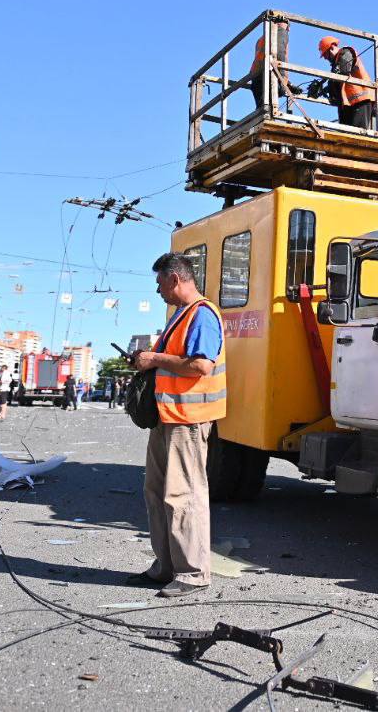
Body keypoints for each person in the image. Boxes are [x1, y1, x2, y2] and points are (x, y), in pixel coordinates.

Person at [125, 252, 226, 598]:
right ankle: (165, 566)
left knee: (184, 496)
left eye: (159, 283)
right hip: (167, 418)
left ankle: (193, 573)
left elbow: (201, 366)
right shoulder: (179, 317)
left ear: (176, 279)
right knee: (156, 492)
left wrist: (153, 358)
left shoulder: (203, 315)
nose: (157, 290)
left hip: (188, 421)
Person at [310, 35, 374, 130]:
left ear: (331, 48)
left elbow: (343, 71)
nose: (325, 58)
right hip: (348, 104)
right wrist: (322, 90)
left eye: (325, 55)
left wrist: (326, 82)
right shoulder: (336, 64)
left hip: (360, 100)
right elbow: (336, 81)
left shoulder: (346, 52)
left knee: (358, 135)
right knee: (346, 135)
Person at [248, 20, 298, 110]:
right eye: (288, 26)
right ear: (284, 24)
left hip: (256, 78)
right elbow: (279, 55)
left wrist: (288, 84)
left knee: (262, 112)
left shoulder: (262, 38)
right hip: (267, 78)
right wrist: (284, 81)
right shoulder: (280, 31)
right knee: (270, 110)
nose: (289, 30)